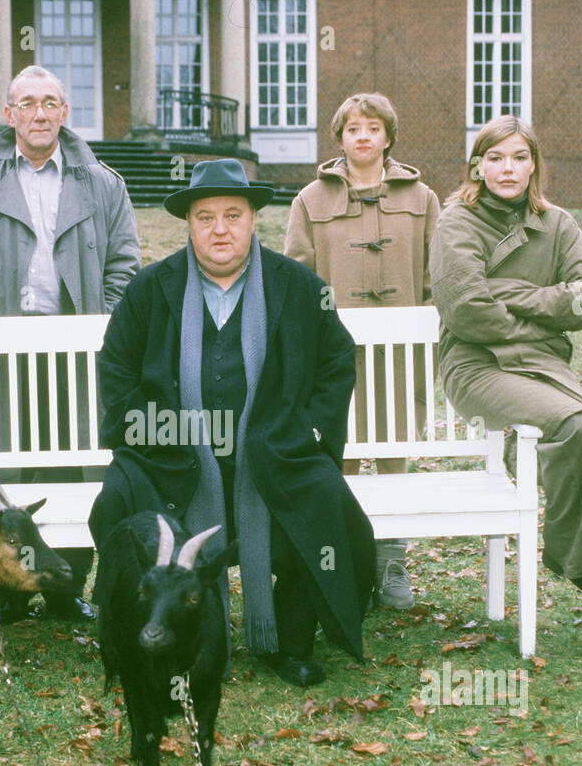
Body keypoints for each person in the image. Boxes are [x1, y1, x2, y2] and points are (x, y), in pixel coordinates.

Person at [89, 159, 376, 687]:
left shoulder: (296, 286)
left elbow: (337, 360)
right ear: (189, 224)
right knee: (118, 500)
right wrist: (156, 433)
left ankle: (287, 641)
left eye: (232, 216)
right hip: (171, 453)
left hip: (272, 449)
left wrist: (309, 429)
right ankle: (149, 632)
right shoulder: (151, 290)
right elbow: (116, 372)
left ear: (252, 220)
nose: (219, 229)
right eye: (205, 217)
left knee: (320, 495)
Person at [429, 115, 582, 666]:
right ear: (478, 165)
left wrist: (512, 293)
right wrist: (540, 306)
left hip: (545, 367)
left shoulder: (557, 224)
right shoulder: (456, 223)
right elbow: (468, 313)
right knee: (578, 425)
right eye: (496, 158)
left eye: (520, 158)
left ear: (534, 165)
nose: (509, 169)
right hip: (476, 366)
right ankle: (571, 555)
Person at [0, 65, 141, 623]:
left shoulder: (103, 184)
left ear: (65, 113)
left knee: (78, 468)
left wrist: (103, 327)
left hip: (76, 351)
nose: (40, 113)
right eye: (27, 103)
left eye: (51, 102)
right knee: (4, 471)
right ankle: (4, 591)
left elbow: (126, 264)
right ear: (10, 115)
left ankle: (62, 587)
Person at [285, 92, 440, 611]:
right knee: (340, 456)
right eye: (353, 129)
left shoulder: (424, 198)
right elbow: (297, 280)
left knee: (395, 452)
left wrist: (427, 335)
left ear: (388, 137)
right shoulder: (310, 200)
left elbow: (436, 274)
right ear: (341, 138)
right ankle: (347, 564)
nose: (363, 137)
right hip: (337, 356)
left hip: (400, 353)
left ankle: (391, 559)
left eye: (373, 128)